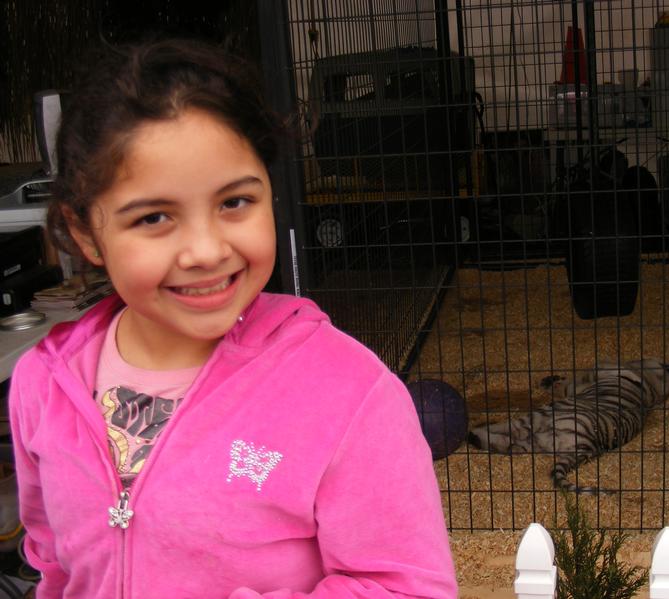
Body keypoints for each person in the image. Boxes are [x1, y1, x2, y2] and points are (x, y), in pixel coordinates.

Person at [9, 37, 458, 598]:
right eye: (153, 217)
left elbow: (408, 587)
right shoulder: (44, 383)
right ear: (85, 233)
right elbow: (52, 561)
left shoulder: (346, 395)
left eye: (234, 202)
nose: (206, 249)